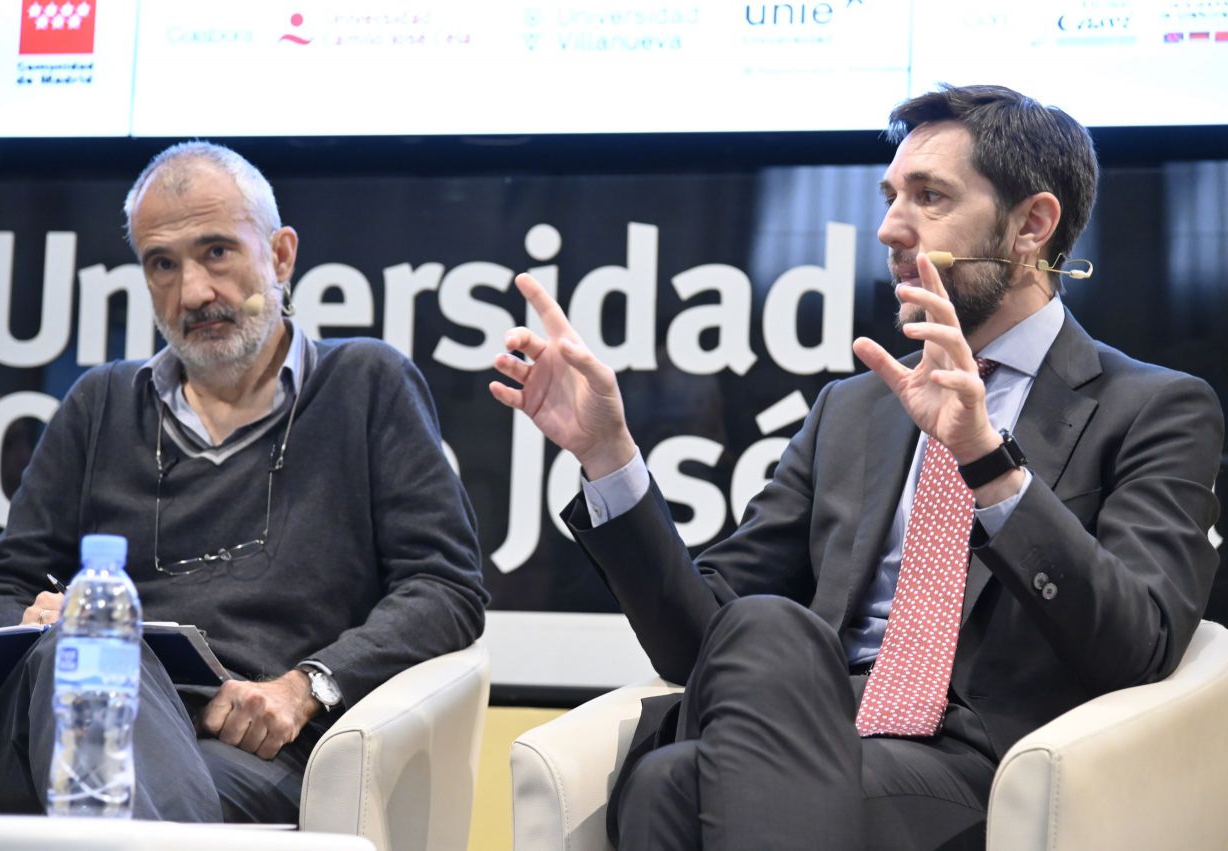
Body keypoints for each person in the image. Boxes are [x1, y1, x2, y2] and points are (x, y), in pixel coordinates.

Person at [490, 84, 1222, 849]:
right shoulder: (853, 409)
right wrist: (609, 457)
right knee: (763, 628)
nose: (889, 228)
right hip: (808, 734)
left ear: (1032, 225)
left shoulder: (1153, 408)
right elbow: (695, 642)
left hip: (980, 771)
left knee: (672, 786)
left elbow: (1139, 643)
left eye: (929, 197)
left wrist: (989, 463)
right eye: (890, 196)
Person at [0, 141, 488, 822]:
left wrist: (305, 686)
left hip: (243, 750)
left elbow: (446, 588)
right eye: (162, 265)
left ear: (281, 255)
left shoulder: (366, 385)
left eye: (217, 252)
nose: (193, 292)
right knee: (92, 649)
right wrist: (31, 622)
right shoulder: (100, 404)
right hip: (52, 728)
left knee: (142, 772)